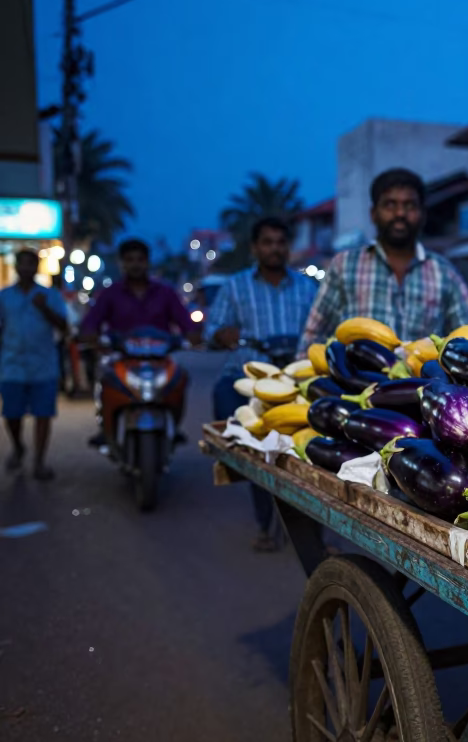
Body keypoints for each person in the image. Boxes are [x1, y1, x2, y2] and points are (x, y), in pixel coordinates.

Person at [204, 217, 318, 552]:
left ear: (288, 247)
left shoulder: (307, 288)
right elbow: (213, 331)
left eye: (280, 242)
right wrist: (224, 335)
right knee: (246, 438)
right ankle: (262, 520)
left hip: (295, 378)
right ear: (255, 248)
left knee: (318, 441)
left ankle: (315, 529)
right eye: (267, 242)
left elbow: (320, 332)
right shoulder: (235, 286)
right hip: (248, 378)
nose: (274, 249)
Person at [299, 168, 468, 349]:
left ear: (422, 214)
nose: (400, 214)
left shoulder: (443, 272)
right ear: (373, 214)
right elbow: (313, 337)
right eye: (390, 205)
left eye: (409, 205)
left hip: (423, 379)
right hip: (357, 379)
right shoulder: (344, 267)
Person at [80, 239, 199, 446]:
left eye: (140, 259)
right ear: (122, 263)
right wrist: (91, 336)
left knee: (180, 379)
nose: (135, 264)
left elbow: (187, 324)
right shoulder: (110, 294)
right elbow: (91, 323)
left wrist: (193, 336)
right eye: (129, 260)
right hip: (122, 358)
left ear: (147, 262)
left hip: (159, 359)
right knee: (105, 382)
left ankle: (174, 426)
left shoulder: (165, 293)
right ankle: (106, 427)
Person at [0, 249, 69, 479]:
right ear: (17, 266)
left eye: (32, 264)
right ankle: (19, 447)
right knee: (11, 415)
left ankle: (39, 461)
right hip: (12, 364)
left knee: (43, 415)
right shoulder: (5, 296)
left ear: (37, 267)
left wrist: (44, 308)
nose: (27, 268)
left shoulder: (50, 296)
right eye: (23, 264)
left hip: (43, 365)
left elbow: (64, 326)